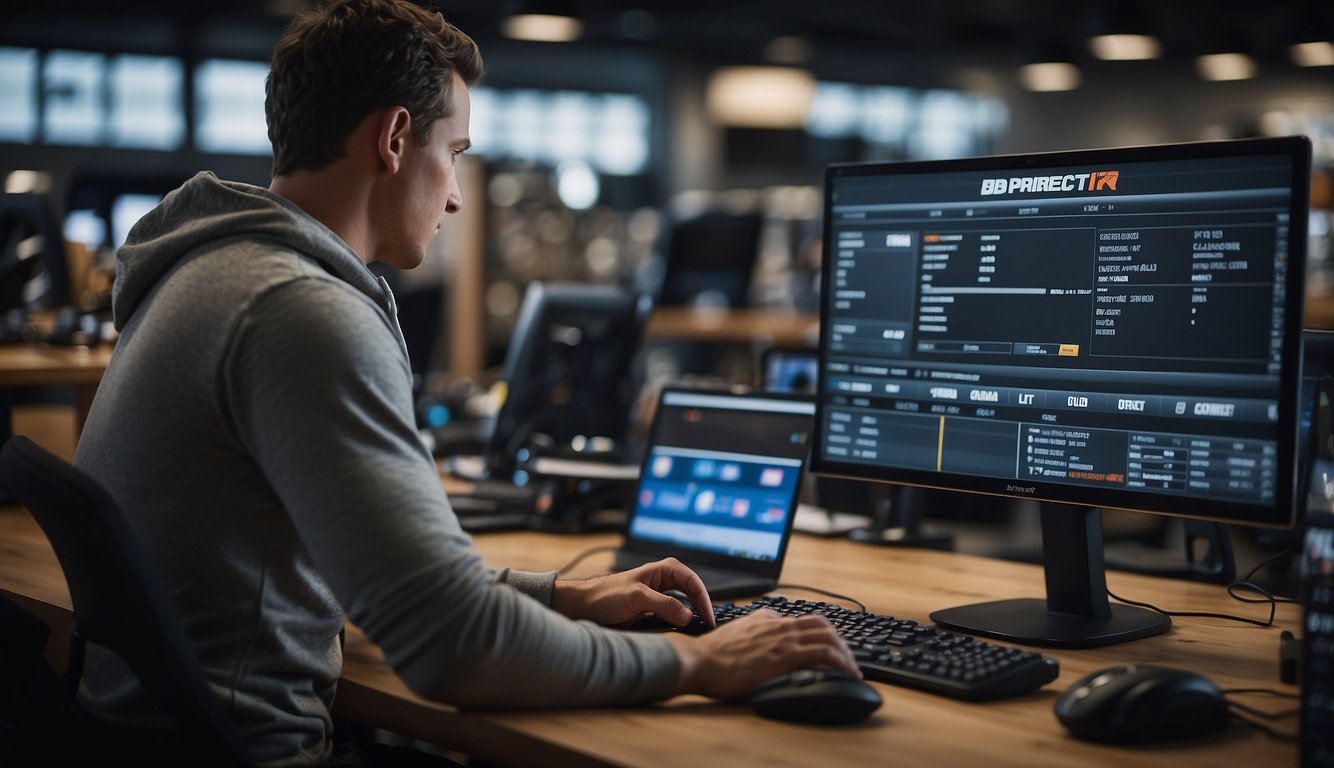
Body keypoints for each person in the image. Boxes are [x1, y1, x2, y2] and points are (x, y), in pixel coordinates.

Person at [72, 1, 859, 765]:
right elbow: (453, 649)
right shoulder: (301, 312)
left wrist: (561, 596)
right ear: (394, 138)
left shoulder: (210, 270)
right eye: (456, 154)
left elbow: (374, 576)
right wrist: (704, 664)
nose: (453, 194)